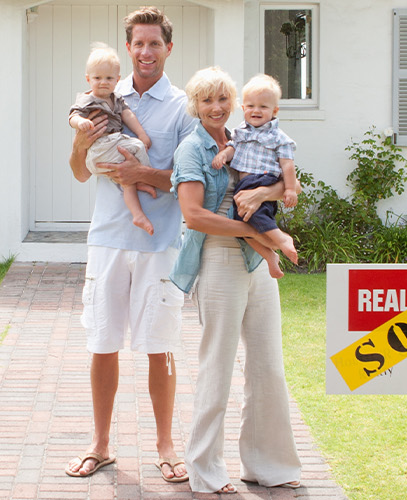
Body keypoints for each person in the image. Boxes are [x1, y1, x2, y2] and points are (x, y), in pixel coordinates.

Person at [64, 6, 195, 484]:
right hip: (107, 240)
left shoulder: (183, 106)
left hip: (160, 243)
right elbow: (80, 170)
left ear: (168, 48)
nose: (145, 52)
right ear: (129, 48)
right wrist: (83, 142)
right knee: (102, 342)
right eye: (138, 43)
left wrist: (143, 174)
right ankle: (100, 445)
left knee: (159, 346)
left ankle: (165, 445)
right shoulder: (101, 95)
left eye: (154, 43)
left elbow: (190, 178)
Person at [170, 67, 303, 495]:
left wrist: (263, 196)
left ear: (234, 102)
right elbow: (194, 216)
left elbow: (283, 181)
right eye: (206, 100)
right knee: (217, 366)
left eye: (222, 99)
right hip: (220, 258)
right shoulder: (191, 149)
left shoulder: (247, 136)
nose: (216, 107)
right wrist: (252, 231)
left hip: (257, 263)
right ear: (195, 105)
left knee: (268, 367)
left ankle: (270, 465)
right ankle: (206, 469)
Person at [209, 74, 300, 278]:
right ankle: (269, 257)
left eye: (263, 107)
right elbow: (232, 148)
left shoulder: (278, 138)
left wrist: (290, 189)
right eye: (250, 106)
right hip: (244, 185)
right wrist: (223, 154)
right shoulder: (240, 132)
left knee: (257, 216)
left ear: (274, 111)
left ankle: (282, 239)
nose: (256, 111)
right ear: (243, 109)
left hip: (263, 179)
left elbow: (287, 165)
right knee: (242, 226)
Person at [69, 43, 158, 235]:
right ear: (88, 79)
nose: (103, 82)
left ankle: (137, 212)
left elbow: (128, 116)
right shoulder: (87, 100)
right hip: (99, 148)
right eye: (97, 78)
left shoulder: (116, 99)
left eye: (109, 78)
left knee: (127, 179)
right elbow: (72, 116)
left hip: (110, 149)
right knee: (136, 146)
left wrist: (142, 133)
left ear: (117, 79)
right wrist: (80, 122)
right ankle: (144, 176)